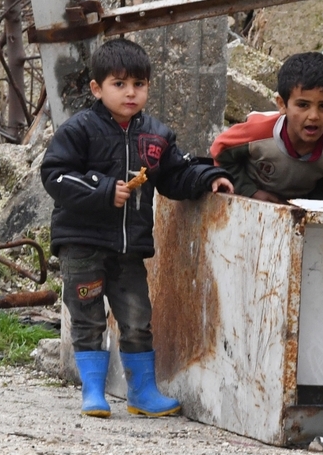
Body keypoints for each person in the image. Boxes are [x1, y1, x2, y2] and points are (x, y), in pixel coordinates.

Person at [41, 38, 234, 418]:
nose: (131, 93)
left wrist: (209, 178)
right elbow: (55, 174)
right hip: (82, 245)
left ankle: (142, 392)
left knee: (137, 319)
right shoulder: (79, 130)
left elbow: (176, 176)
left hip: (130, 250)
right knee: (88, 316)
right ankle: (93, 392)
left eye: (139, 84)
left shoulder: (157, 137)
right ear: (97, 88)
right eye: (119, 84)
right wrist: (101, 189)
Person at [210, 51, 323, 203]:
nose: (314, 116)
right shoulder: (258, 131)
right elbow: (220, 150)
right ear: (282, 104)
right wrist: (250, 192)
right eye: (303, 105)